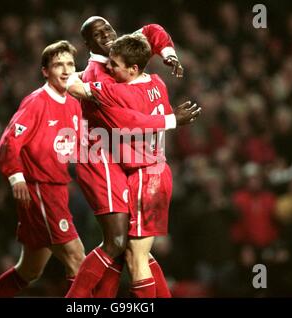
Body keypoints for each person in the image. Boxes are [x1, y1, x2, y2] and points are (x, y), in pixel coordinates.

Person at [66, 27, 200, 298]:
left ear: (133, 68)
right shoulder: (157, 83)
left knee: (135, 259)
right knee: (135, 252)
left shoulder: (119, 92)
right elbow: (152, 31)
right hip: (159, 173)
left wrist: (77, 76)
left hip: (143, 178)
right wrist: (168, 54)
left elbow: (75, 88)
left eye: (114, 65)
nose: (110, 69)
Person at [0, 41, 86, 297]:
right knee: (77, 259)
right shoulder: (36, 102)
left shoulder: (73, 103)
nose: (65, 71)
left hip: (58, 189)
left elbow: (73, 146)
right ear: (45, 71)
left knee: (29, 270)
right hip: (40, 189)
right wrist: (16, 177)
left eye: (69, 64)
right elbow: (9, 142)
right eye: (58, 65)